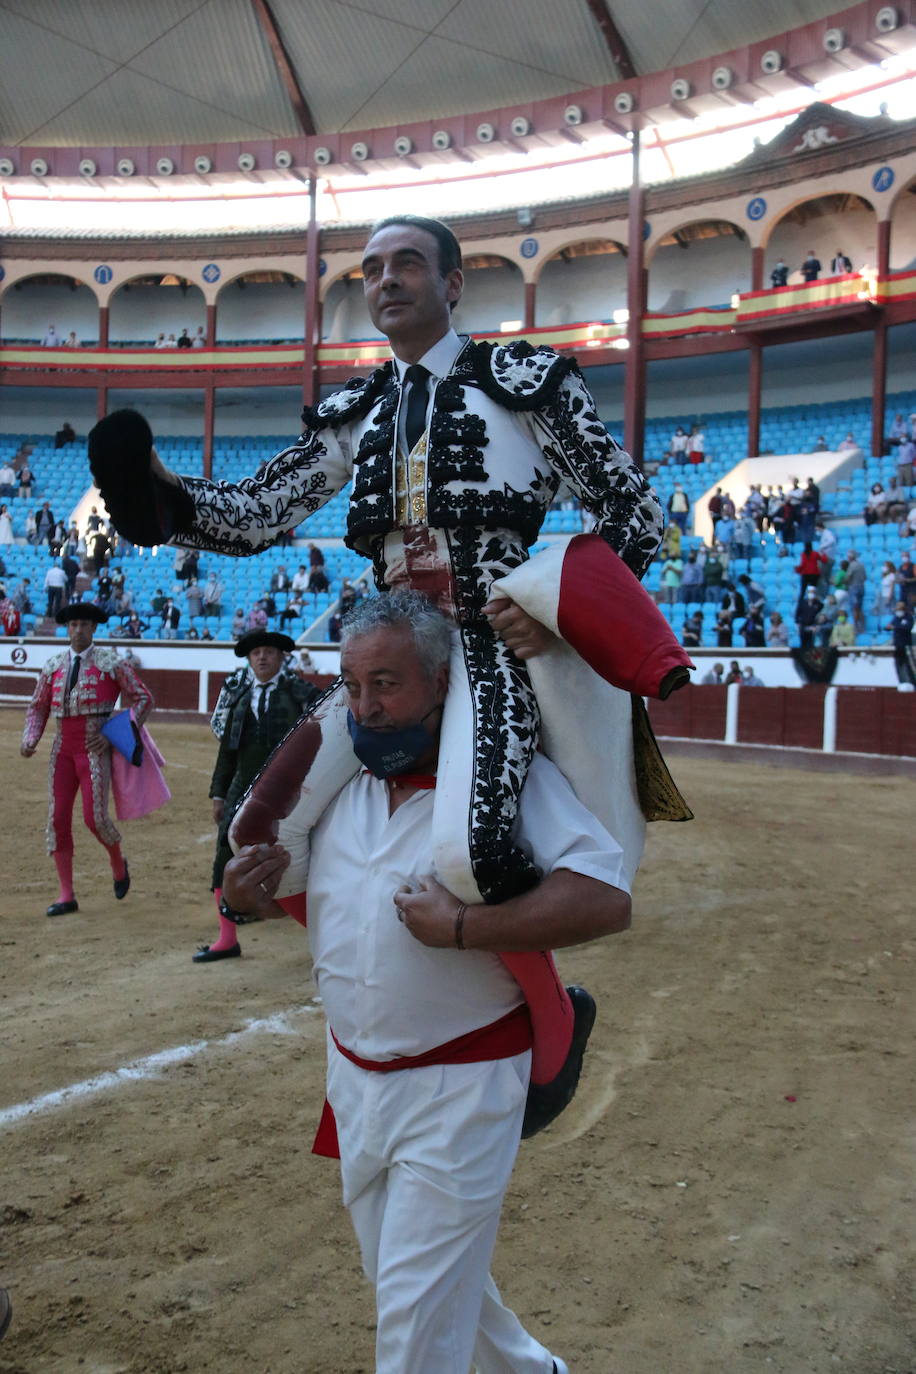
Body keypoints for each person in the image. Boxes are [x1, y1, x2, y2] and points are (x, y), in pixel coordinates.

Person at [89, 213, 687, 1118]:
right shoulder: (354, 414)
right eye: (371, 268)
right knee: (263, 829)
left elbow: (633, 515)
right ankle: (394, 980)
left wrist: (557, 612)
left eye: (408, 263)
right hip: (383, 661)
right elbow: (258, 513)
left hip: (487, 650)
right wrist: (161, 498)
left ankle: (551, 1020)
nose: (386, 279)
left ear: (452, 285)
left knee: (479, 848)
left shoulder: (525, 384)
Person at [221, 593, 631, 1374]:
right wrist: (243, 896)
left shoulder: (503, 786)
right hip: (354, 1078)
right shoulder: (335, 794)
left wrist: (467, 928)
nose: (367, 707)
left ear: (442, 682)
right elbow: (307, 905)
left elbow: (605, 898)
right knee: (419, 1287)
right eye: (352, 684)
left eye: (388, 682)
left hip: (462, 1089)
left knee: (412, 1327)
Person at [195, 631, 320, 964]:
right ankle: (226, 938)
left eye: (268, 652)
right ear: (249, 660)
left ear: (281, 657)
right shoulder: (238, 697)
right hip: (242, 785)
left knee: (307, 856)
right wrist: (219, 793)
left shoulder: (302, 693)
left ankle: (321, 935)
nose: (262, 658)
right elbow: (228, 751)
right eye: (256, 654)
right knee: (225, 853)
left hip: (291, 790)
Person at [20, 604, 153, 916]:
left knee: (95, 819)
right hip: (62, 749)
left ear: (94, 629)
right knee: (57, 818)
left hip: (94, 748)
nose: (78, 630)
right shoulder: (52, 665)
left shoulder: (111, 663)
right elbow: (38, 707)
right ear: (68, 628)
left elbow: (144, 698)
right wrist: (30, 739)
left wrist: (113, 734)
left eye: (84, 625)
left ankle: (118, 862)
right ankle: (66, 894)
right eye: (74, 624)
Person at [886, 601, 915, 686]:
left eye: (900, 609)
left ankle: (913, 684)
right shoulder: (896, 617)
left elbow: (907, 627)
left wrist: (895, 627)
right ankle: (901, 683)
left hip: (906, 646)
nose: (898, 611)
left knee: (909, 666)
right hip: (898, 646)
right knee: (898, 666)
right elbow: (889, 626)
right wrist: (889, 627)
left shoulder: (909, 618)